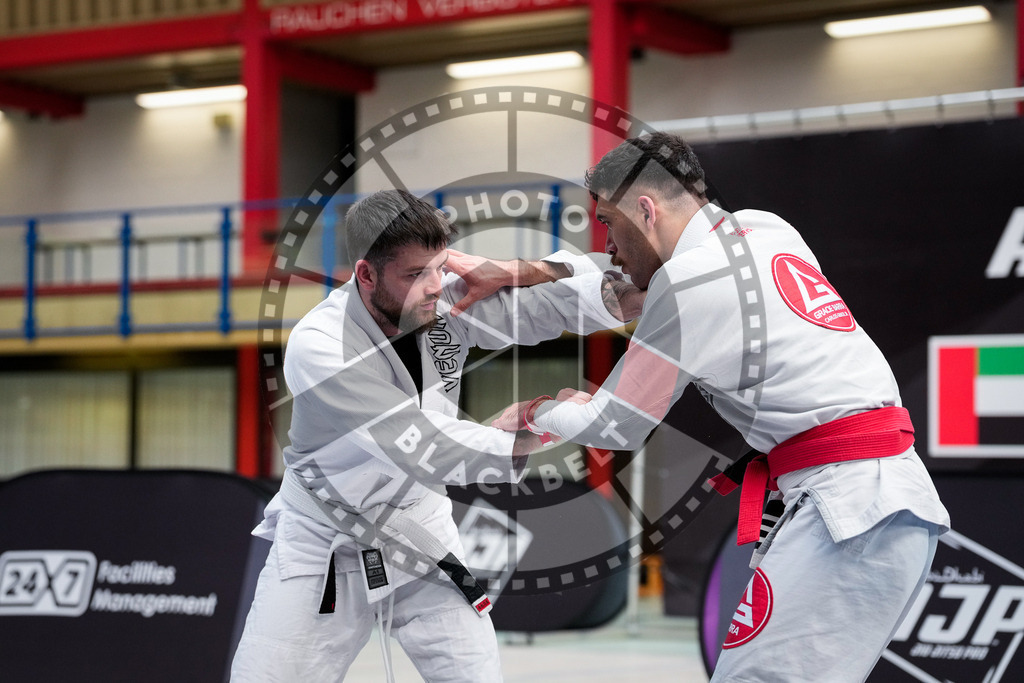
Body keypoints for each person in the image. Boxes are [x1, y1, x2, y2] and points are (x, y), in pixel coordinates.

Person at [491, 131, 950, 682]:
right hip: (878, 498)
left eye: (609, 223)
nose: (608, 244)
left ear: (645, 209)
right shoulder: (766, 228)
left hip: (848, 508)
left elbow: (613, 427)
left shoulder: (689, 284)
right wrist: (537, 268)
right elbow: (629, 280)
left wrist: (537, 411)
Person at [230, 188, 642, 682]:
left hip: (419, 525)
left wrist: (525, 270)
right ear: (366, 274)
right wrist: (537, 424)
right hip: (325, 538)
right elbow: (422, 445)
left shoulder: (445, 298)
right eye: (413, 274)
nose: (433, 286)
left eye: (439, 266)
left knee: (474, 674)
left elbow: (572, 304)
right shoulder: (321, 345)